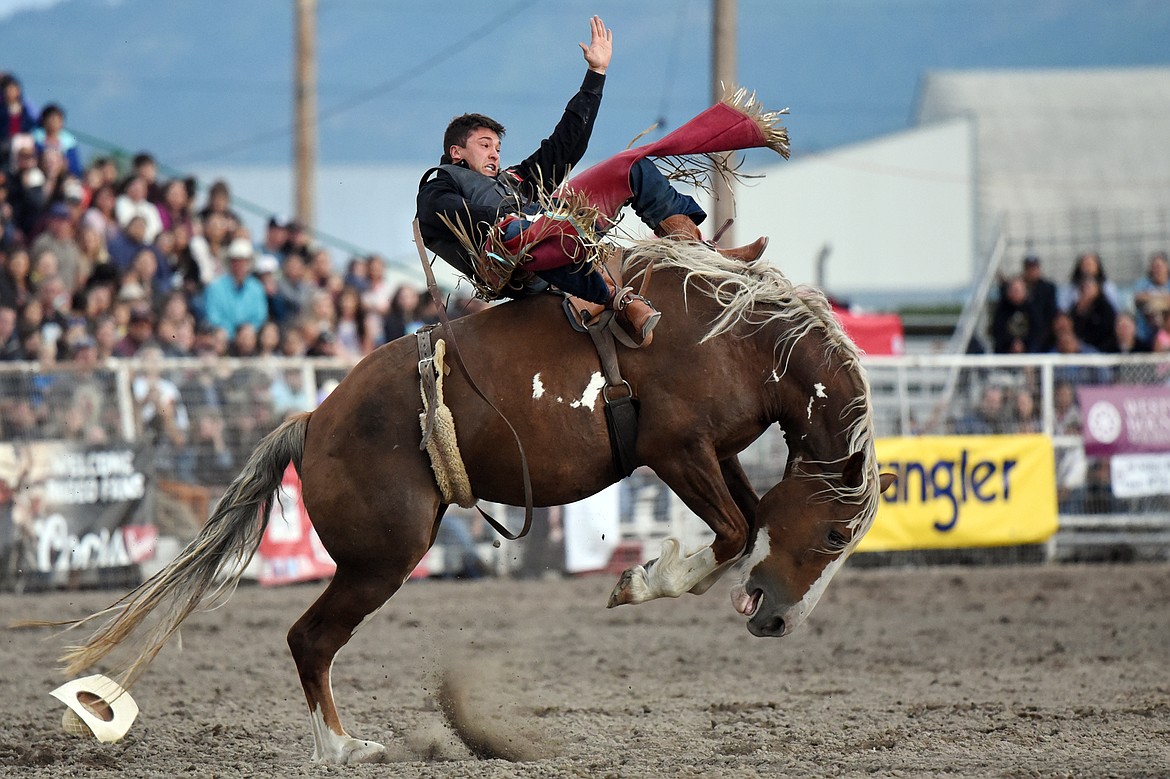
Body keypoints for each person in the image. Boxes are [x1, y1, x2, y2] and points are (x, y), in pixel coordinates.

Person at [416, 16, 770, 348]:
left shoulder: (515, 181)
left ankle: (698, 256)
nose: (495, 153)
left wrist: (595, 73)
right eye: (484, 145)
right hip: (512, 260)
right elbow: (454, 215)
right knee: (542, 229)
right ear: (457, 152)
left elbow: (564, 145)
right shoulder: (439, 185)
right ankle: (618, 298)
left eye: (497, 146)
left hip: (551, 227)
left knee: (629, 166)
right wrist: (526, 222)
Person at [203, 237, 269, 338]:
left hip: (249, 337)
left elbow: (259, 317)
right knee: (219, 335)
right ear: (230, 263)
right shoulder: (215, 287)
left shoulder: (257, 288)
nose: (240, 265)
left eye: (244, 261)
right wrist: (231, 331)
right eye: (236, 261)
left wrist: (249, 329)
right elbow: (213, 316)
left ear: (249, 263)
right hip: (222, 335)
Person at [1020, 254, 1058, 350]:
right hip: (1024, 335)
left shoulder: (1048, 288)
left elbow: (1050, 314)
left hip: (1043, 336)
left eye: (1034, 267)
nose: (1032, 271)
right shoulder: (1019, 287)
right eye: (1029, 268)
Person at [1131, 251, 1170, 345]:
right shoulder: (1143, 283)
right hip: (1145, 333)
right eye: (1155, 267)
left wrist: (1153, 298)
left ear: (1167, 267)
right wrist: (1161, 299)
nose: (1157, 270)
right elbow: (1138, 297)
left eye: (1160, 266)